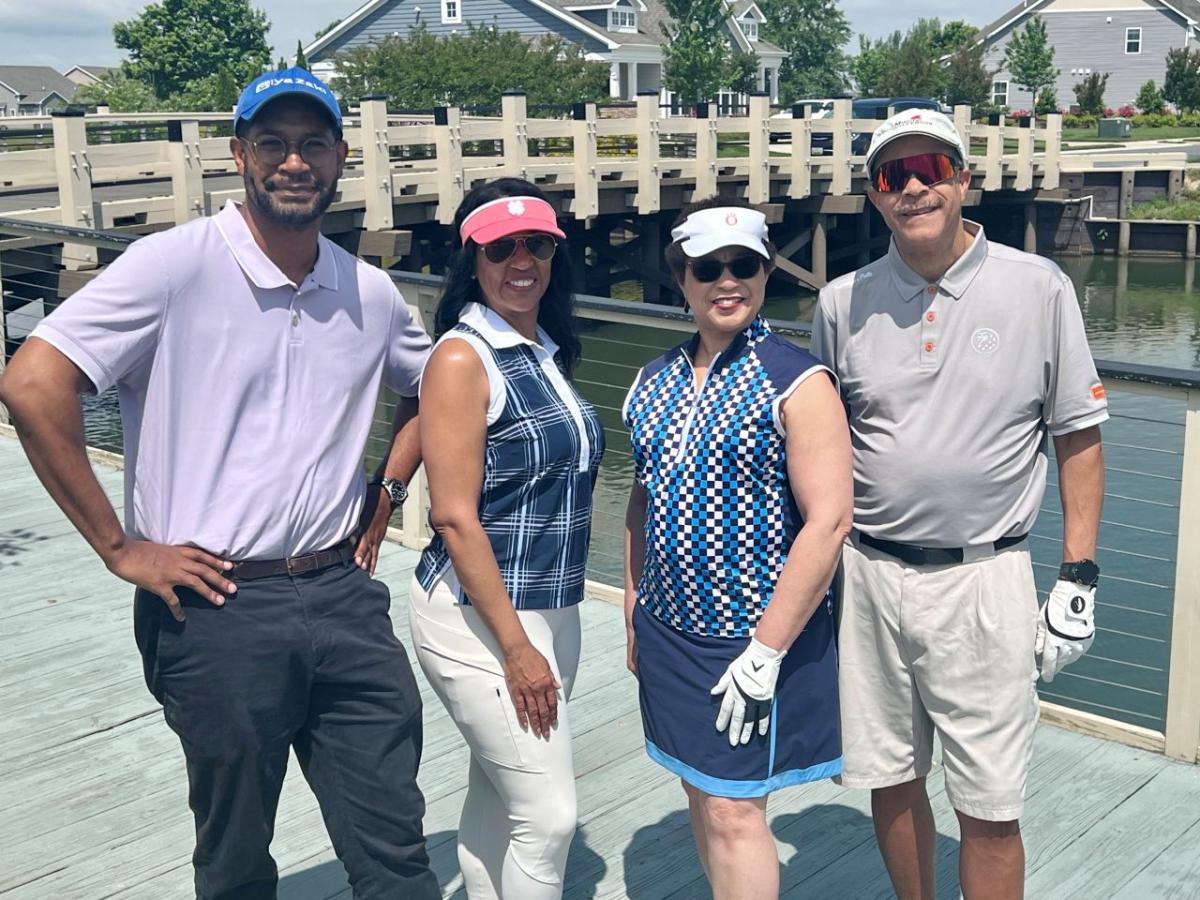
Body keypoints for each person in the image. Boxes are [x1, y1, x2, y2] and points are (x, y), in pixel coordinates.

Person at [0, 68, 441, 900]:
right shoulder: (173, 265)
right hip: (217, 604)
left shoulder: (369, 289)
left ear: (341, 157)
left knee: (394, 847)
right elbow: (32, 382)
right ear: (238, 154)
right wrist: (120, 547)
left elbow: (436, 391)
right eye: (272, 143)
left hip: (343, 592)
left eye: (313, 143)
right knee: (236, 858)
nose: (294, 161)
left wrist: (384, 494)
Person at [812, 108, 1107, 900]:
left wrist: (1077, 577)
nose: (913, 186)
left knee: (990, 804)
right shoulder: (841, 303)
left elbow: (1077, 436)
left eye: (930, 170)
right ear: (874, 196)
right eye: (892, 175)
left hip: (984, 578)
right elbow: (822, 443)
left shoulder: (1038, 286)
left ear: (963, 179)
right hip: (868, 575)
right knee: (889, 778)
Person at [622, 196, 853, 899]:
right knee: (703, 792)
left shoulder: (798, 380)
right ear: (681, 278)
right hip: (668, 629)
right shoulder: (651, 379)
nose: (728, 281)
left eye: (745, 266)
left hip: (748, 641)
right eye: (708, 268)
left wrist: (765, 653)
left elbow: (830, 522)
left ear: (763, 273)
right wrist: (633, 605)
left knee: (733, 810)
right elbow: (642, 498)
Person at [409, 178, 605, 900]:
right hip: (478, 615)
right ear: (473, 259)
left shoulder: (541, 348)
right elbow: (455, 516)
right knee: (550, 818)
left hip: (553, 606)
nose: (521, 261)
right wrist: (518, 650)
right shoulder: (465, 358)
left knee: (503, 794)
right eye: (501, 248)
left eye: (538, 245)